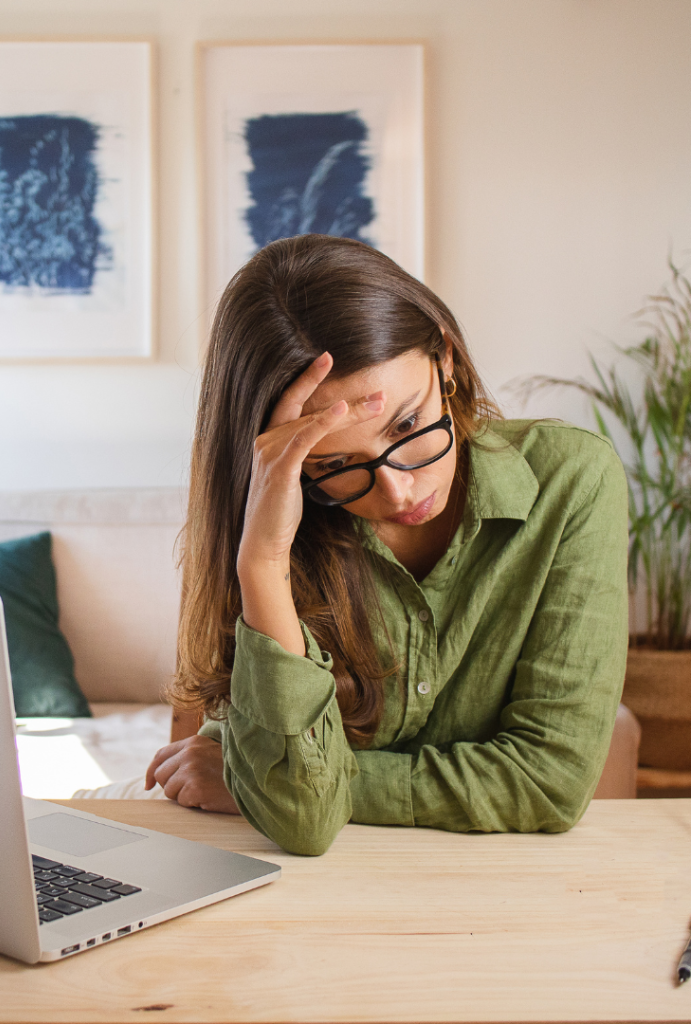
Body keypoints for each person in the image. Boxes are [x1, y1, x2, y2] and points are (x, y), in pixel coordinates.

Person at [145, 234, 628, 856]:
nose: (399, 493)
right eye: (337, 461)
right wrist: (262, 562)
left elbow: (548, 782)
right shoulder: (264, 525)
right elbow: (301, 821)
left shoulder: (570, 480)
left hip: (504, 885)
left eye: (407, 424)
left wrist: (253, 780)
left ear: (445, 359)